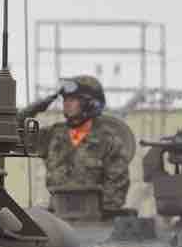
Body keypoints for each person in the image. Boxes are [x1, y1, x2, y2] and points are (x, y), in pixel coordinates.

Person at [23, 75, 137, 212]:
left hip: (95, 220)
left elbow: (117, 188)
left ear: (91, 103)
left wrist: (98, 215)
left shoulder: (108, 141)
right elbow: (9, 135)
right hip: (58, 218)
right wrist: (36, 107)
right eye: (65, 99)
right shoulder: (52, 135)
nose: (66, 104)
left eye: (73, 99)